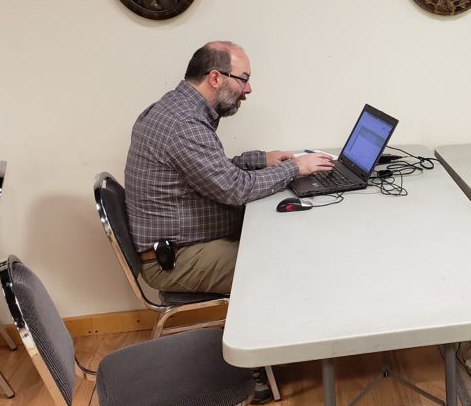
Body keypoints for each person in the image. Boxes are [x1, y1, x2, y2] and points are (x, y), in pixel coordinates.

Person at [124, 41, 334, 296]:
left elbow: (213, 171)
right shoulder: (184, 125)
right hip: (178, 259)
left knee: (286, 237)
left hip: (183, 244)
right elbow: (235, 189)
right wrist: (295, 168)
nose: (248, 89)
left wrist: (262, 159)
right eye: (243, 79)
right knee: (288, 266)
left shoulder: (176, 107)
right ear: (215, 78)